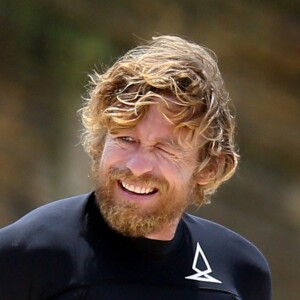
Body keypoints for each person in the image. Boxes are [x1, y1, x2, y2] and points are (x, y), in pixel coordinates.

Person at [0, 35, 271, 299]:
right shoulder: (25, 255)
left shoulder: (241, 271)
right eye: (125, 139)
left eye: (165, 149)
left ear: (208, 168)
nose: (138, 167)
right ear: (99, 144)